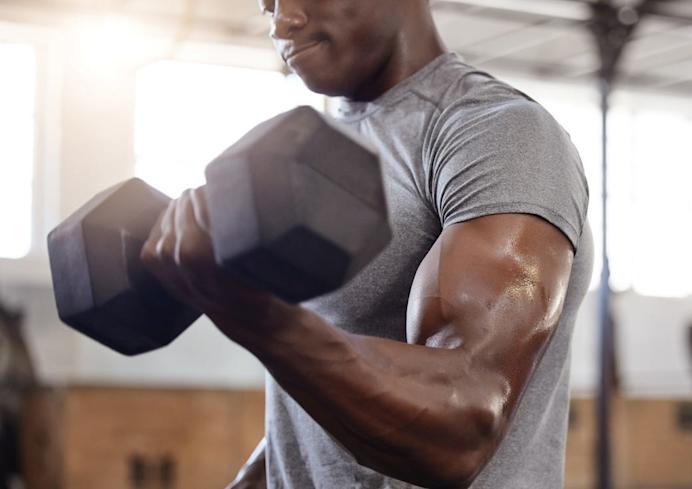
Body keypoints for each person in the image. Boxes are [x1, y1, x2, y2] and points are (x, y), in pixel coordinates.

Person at [139, 0, 592, 487]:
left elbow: (463, 426)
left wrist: (253, 315)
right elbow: (318, 402)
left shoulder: (490, 132)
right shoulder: (320, 150)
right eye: (266, 2)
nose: (282, 22)